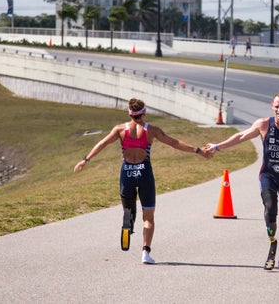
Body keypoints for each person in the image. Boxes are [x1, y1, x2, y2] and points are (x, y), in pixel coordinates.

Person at [74, 98, 212, 264]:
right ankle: (145, 252)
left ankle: (128, 220)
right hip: (144, 173)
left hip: (127, 173)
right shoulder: (151, 130)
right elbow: (174, 143)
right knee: (148, 217)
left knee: (129, 210)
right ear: (144, 113)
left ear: (130, 114)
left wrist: (85, 160)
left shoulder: (119, 129)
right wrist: (198, 150)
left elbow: (102, 143)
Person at [205, 93, 279, 270]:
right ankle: (272, 241)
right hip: (268, 175)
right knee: (270, 208)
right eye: (277, 106)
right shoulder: (263, 124)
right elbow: (241, 136)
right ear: (272, 106)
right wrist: (217, 146)